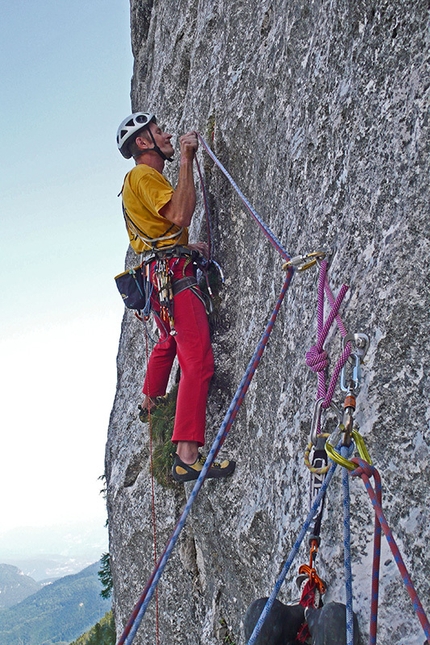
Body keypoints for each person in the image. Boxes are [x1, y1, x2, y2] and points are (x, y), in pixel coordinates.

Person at [116, 112, 236, 483]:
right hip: (174, 279)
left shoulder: (139, 181)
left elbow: (168, 228)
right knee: (198, 362)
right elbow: (181, 213)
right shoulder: (142, 175)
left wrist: (186, 247)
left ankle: (154, 401)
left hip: (164, 274)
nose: (166, 134)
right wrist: (186, 157)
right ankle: (186, 455)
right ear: (143, 142)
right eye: (159, 131)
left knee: (176, 346)